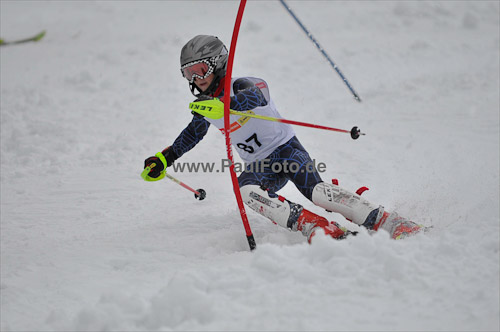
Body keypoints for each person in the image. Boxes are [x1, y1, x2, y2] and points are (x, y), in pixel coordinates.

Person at [143, 35, 423, 243]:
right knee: (246, 191)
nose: (196, 78)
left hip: (287, 151)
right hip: (261, 165)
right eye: (188, 73)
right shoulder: (204, 105)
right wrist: (164, 159)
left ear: (218, 64)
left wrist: (228, 104)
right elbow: (192, 134)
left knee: (318, 192)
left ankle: (389, 221)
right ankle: (317, 228)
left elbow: (258, 96)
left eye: (200, 70)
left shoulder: (243, 85)